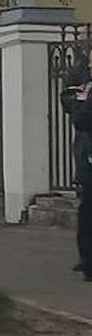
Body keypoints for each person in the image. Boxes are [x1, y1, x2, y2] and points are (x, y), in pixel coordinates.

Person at [58, 52, 92, 281]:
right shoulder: (78, 69)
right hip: (87, 149)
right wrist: (80, 99)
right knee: (88, 208)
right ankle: (88, 259)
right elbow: (68, 100)